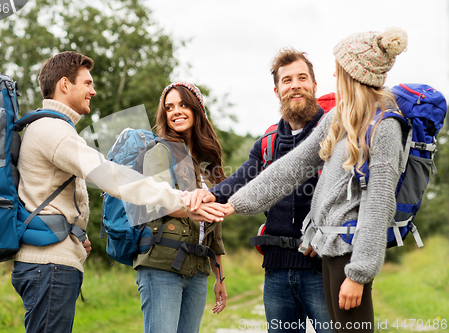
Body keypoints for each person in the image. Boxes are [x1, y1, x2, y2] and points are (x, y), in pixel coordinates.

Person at [11, 52, 225, 333]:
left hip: (55, 258)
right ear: (65, 84)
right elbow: (111, 176)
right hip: (48, 264)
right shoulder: (52, 130)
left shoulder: (56, 129)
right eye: (87, 83)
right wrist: (183, 200)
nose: (93, 90)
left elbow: (49, 194)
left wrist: (76, 234)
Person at [225, 28, 408, 332]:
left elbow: (378, 206)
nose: (335, 78)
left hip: (348, 256)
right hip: (328, 255)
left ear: (355, 74)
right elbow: (290, 167)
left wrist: (358, 274)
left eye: (340, 72)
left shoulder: (384, 126)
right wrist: (235, 204)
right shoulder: (338, 118)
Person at [207, 48, 332, 333]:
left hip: (322, 267)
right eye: (287, 80)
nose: (295, 85)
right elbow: (242, 179)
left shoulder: (334, 132)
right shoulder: (268, 141)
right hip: (276, 270)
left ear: (314, 85)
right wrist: (212, 195)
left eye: (302, 78)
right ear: (277, 90)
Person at [134, 82, 228, 333]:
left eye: (183, 104)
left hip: (198, 270)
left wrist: (220, 277)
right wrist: (195, 209)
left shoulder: (208, 161)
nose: (176, 111)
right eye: (169, 107)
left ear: (197, 110)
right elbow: (156, 202)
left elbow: (215, 226)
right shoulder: (160, 151)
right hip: (162, 264)